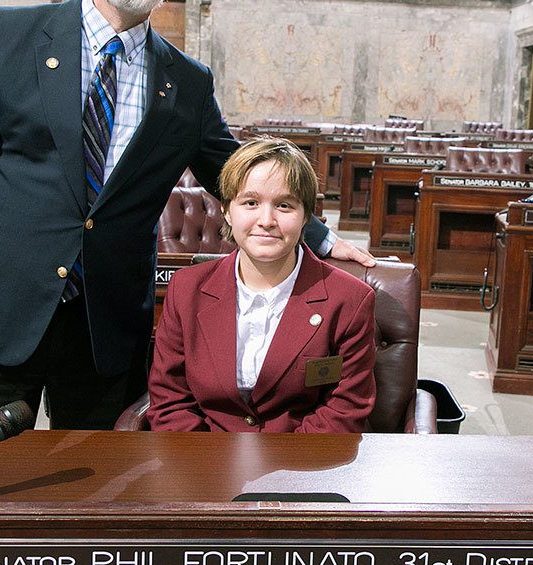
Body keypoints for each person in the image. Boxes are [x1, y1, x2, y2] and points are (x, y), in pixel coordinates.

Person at [0, 0, 372, 442]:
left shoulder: (188, 84)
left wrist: (320, 237)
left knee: (99, 494)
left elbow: (236, 172)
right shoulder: (5, 35)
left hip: (106, 324)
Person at [149, 139, 376, 433]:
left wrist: (280, 475)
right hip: (204, 466)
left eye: (284, 205)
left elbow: (344, 410)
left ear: (306, 216)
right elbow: (170, 401)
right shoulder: (186, 289)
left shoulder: (349, 300)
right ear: (228, 210)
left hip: (304, 467)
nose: (266, 220)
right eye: (251, 203)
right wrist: (210, 470)